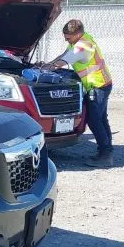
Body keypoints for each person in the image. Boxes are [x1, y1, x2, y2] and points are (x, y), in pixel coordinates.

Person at [45, 19, 114, 167]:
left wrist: (43, 70)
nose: (65, 39)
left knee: (94, 120)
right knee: (101, 119)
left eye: (68, 37)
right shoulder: (80, 40)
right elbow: (62, 55)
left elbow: (62, 62)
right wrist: (46, 65)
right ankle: (106, 151)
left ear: (77, 34)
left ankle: (106, 155)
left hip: (98, 85)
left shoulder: (83, 47)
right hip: (101, 84)